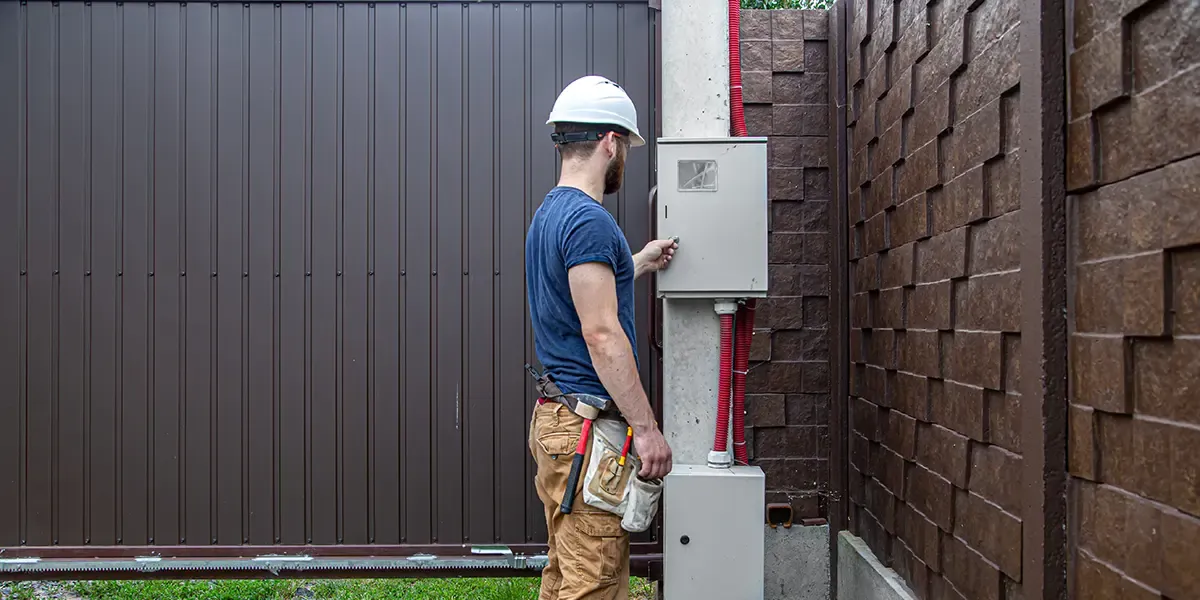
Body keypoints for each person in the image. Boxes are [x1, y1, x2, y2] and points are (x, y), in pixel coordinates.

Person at [524, 75, 677, 600]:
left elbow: (581, 298)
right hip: (587, 434)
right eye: (625, 147)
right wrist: (648, 429)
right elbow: (601, 332)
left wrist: (637, 261)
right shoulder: (589, 221)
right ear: (611, 141)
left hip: (558, 421)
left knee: (567, 572)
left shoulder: (551, 214)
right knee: (593, 582)